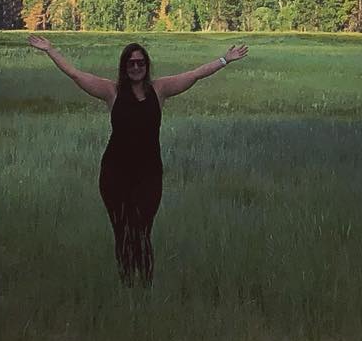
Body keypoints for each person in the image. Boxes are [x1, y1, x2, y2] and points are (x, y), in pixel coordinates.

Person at [27, 35, 248, 284]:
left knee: (142, 231)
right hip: (115, 174)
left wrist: (224, 59)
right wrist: (50, 50)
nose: (135, 67)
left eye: (140, 63)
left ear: (146, 65)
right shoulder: (111, 91)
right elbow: (76, 75)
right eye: (130, 63)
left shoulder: (160, 90)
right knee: (122, 232)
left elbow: (194, 74)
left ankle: (144, 286)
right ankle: (126, 284)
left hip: (149, 174)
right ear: (124, 67)